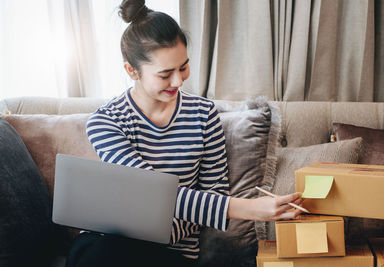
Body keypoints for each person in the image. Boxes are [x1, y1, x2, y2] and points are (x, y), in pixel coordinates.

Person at [66, 0, 304, 266]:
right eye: (165, 74)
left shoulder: (203, 113)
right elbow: (150, 191)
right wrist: (252, 209)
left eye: (183, 67)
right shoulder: (105, 121)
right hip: (108, 246)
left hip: (170, 255)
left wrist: (167, 229)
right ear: (132, 71)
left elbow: (214, 193)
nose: (178, 81)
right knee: (113, 247)